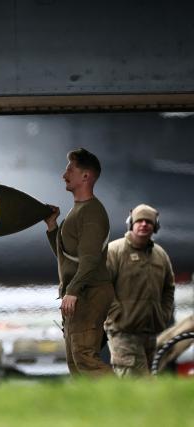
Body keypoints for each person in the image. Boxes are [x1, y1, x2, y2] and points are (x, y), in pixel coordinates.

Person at [44, 148, 114, 377]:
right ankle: (100, 410)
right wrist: (53, 226)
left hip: (88, 292)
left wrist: (72, 291)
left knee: (84, 358)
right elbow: (67, 258)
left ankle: (129, 400)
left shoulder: (91, 213)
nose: (65, 175)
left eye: (70, 169)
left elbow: (91, 259)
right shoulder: (77, 211)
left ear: (86, 176)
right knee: (76, 363)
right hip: (79, 293)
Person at [104, 204, 175, 377]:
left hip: (151, 334)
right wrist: (117, 314)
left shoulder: (160, 255)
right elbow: (101, 287)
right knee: (135, 382)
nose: (144, 224)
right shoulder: (115, 251)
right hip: (123, 333)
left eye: (148, 222)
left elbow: (168, 289)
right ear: (131, 224)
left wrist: (163, 314)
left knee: (148, 385)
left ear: (155, 226)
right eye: (140, 221)